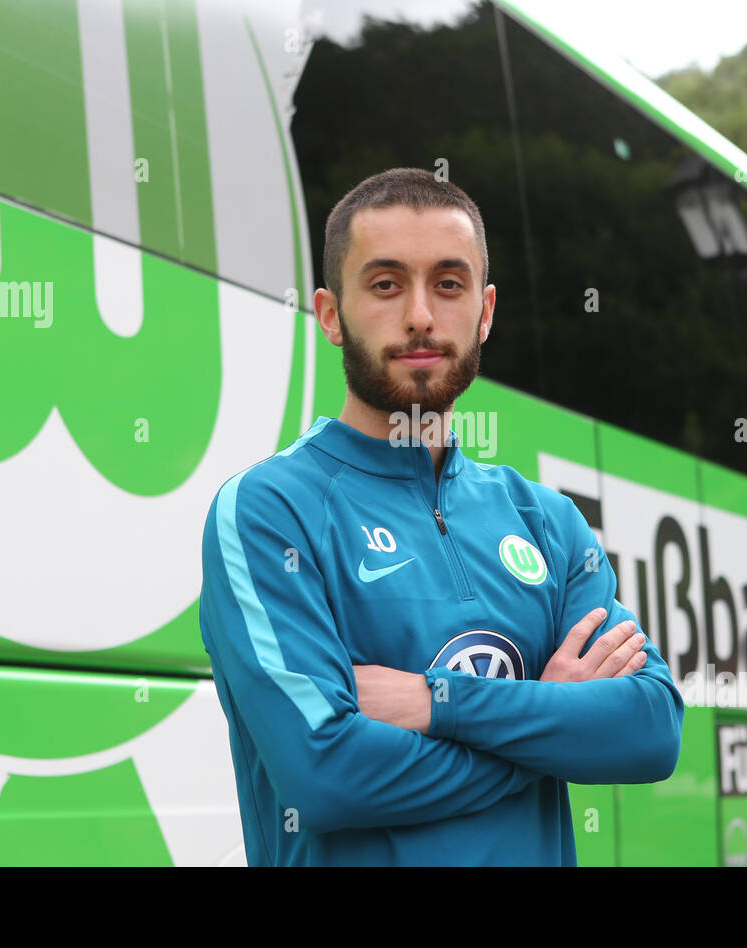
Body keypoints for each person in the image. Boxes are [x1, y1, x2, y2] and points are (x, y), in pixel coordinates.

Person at [199, 167, 684, 865]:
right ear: (331, 314)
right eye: (387, 284)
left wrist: (437, 702)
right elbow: (325, 775)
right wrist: (545, 727)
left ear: (485, 312)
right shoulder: (269, 511)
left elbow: (649, 729)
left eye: (448, 284)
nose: (421, 315)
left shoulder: (547, 520)